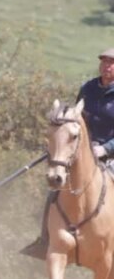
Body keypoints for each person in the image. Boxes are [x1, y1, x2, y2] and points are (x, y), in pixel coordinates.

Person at [22, 48, 114, 259]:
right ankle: (44, 240)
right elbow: (76, 120)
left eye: (112, 62)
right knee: (56, 191)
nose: (107, 66)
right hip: (83, 153)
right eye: (104, 61)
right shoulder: (88, 88)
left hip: (111, 154)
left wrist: (106, 148)